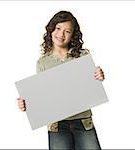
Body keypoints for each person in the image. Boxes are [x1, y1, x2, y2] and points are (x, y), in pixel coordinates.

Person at [17, 11, 105, 149]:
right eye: (58, 28)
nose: (61, 34)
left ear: (73, 35)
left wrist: (99, 75)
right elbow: (42, 95)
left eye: (67, 31)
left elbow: (92, 84)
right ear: (51, 29)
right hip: (57, 125)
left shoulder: (82, 56)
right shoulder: (43, 62)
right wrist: (27, 102)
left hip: (83, 121)